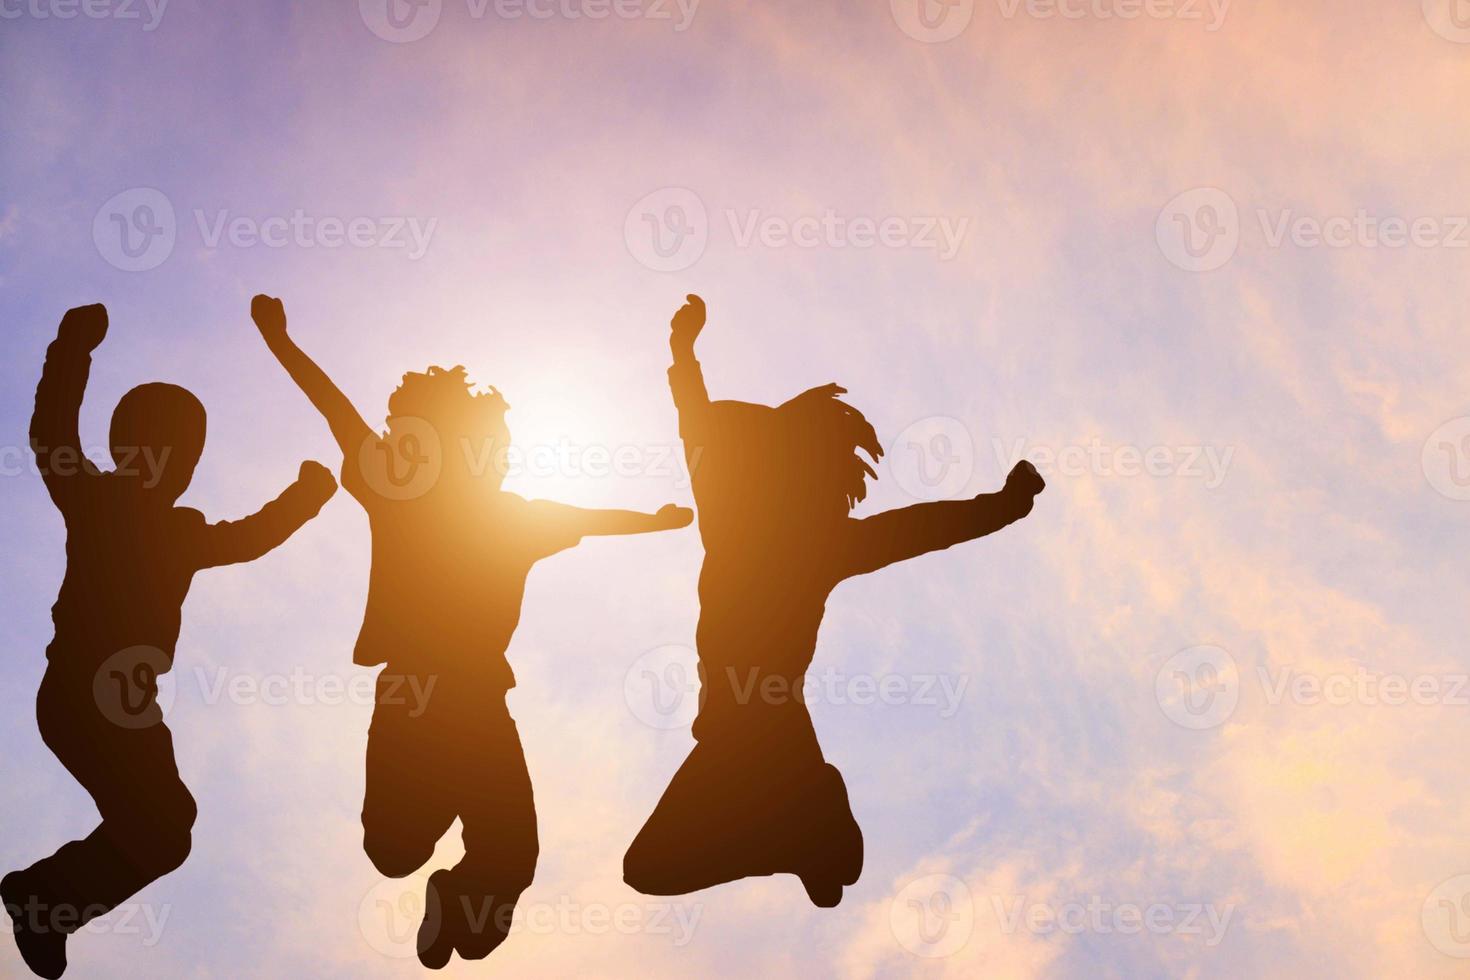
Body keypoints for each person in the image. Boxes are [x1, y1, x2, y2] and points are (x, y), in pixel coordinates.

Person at [249, 295, 692, 968]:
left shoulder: (511, 516)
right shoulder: (406, 490)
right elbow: (339, 414)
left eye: (503, 450)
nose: (502, 461)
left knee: (508, 861)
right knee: (395, 851)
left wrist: (653, 519)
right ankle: (432, 860)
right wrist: (280, 342)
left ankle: (458, 900)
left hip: (476, 701)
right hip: (419, 695)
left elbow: (589, 515)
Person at [623, 294, 1046, 907]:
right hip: (726, 729)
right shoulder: (740, 516)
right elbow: (694, 416)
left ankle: (808, 826)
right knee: (647, 871)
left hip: (768, 723)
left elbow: (920, 528)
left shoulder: (813, 541)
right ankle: (802, 838)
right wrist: (682, 350)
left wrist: (1003, 507)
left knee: (654, 869)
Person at [3, 303, 337, 979]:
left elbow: (247, 538)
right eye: (168, 452)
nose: (177, 469)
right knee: (160, 826)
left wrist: (305, 498)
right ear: (133, 451)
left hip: (128, 709)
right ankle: (45, 896)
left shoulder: (180, 534)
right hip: (79, 695)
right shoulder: (95, 498)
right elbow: (50, 432)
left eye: (185, 457)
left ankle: (50, 896)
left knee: (167, 829)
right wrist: (72, 350)